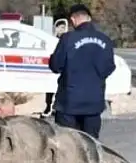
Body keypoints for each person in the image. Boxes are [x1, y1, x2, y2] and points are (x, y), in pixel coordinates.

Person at [48, 4, 115, 139]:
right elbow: (109, 67)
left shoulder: (68, 39)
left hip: (69, 103)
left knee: (68, 144)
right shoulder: (105, 40)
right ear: (89, 18)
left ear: (73, 19)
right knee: (91, 144)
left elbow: (56, 66)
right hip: (94, 102)